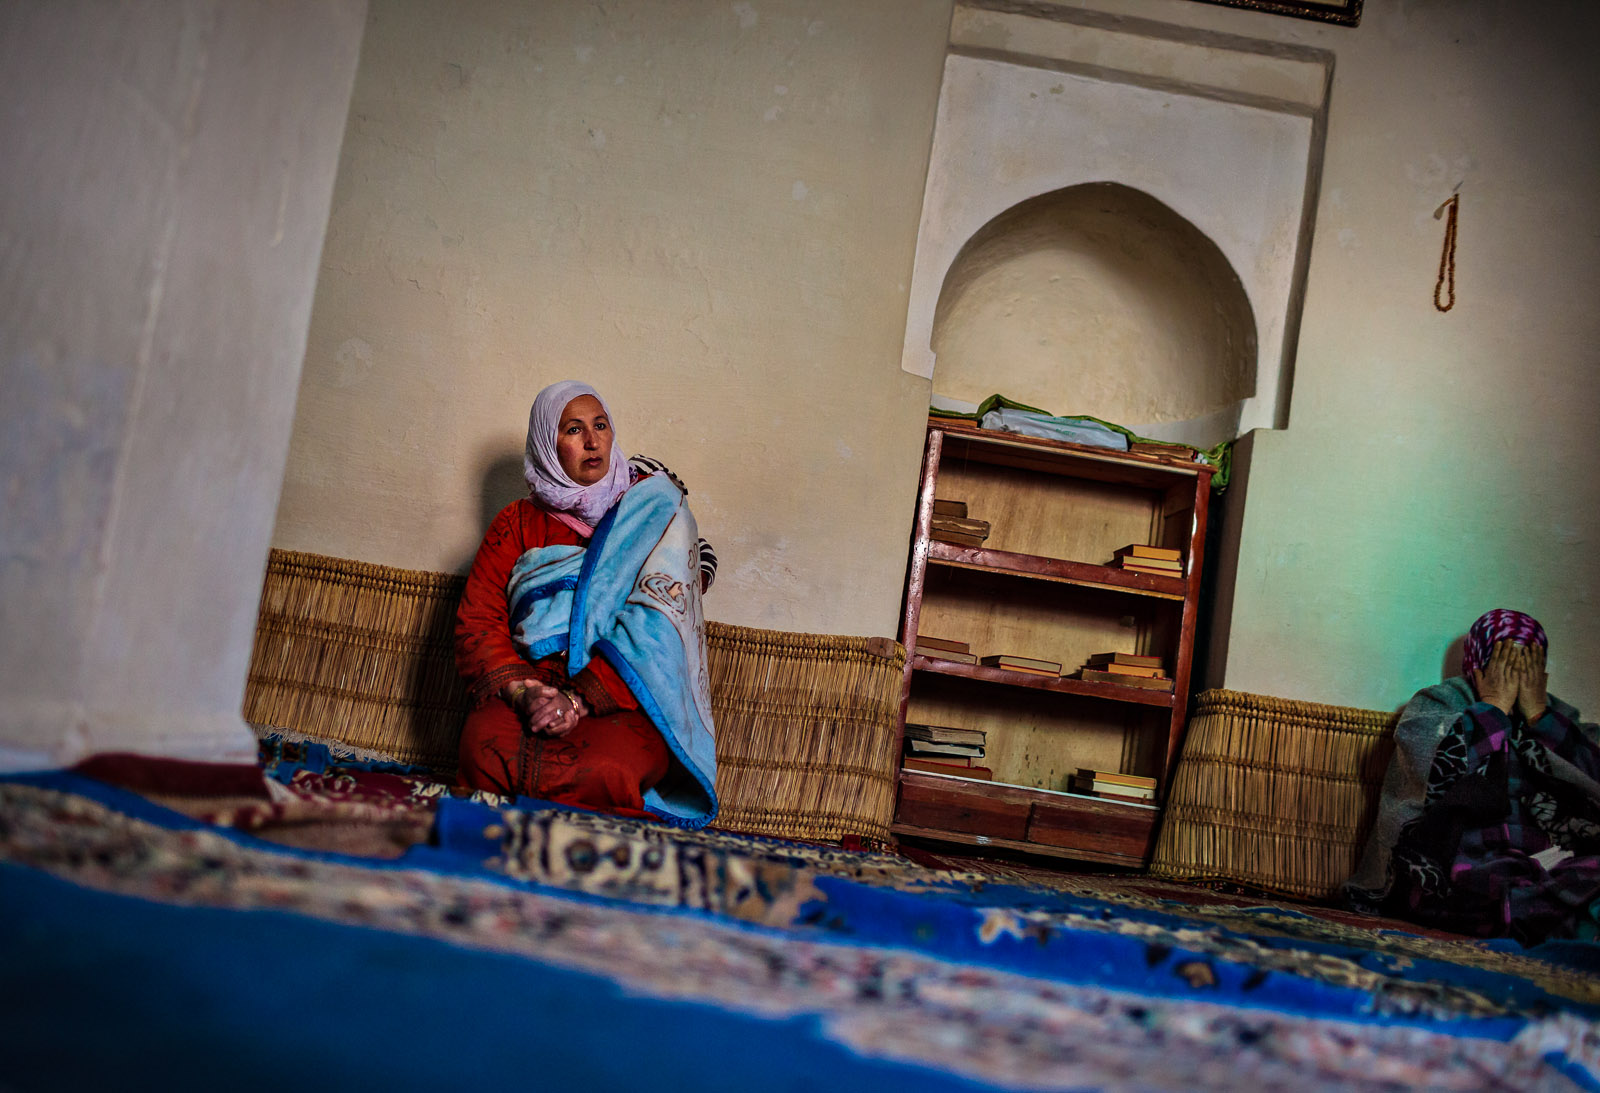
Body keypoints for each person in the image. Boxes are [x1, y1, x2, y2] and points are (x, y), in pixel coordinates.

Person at [453, 381, 718, 827]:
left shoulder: (652, 517)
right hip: (531, 684)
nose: (592, 441)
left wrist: (578, 702)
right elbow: (479, 619)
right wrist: (525, 693)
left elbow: (653, 623)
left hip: (621, 694)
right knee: (484, 751)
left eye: (600, 426)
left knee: (610, 771)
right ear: (546, 444)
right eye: (573, 430)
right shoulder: (517, 523)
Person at [1345, 610, 1600, 943]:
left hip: (1547, 869)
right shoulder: (1439, 703)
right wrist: (1493, 708)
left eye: (1527, 666)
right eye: (1503, 664)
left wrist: (1540, 717)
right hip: (1458, 868)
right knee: (1477, 885)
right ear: (1478, 666)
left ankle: (1528, 915)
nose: (1514, 676)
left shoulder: (1559, 719)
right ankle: (1531, 917)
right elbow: (1429, 773)